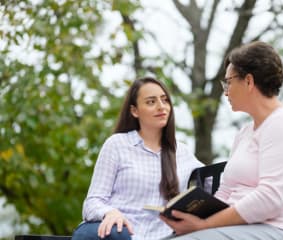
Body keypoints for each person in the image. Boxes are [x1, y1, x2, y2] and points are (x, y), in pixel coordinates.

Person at [160, 41, 283, 240]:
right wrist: (194, 217)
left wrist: (204, 225)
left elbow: (270, 199)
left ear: (248, 81)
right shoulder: (245, 133)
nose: (225, 90)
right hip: (239, 229)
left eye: (228, 81)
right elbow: (226, 191)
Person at [72, 77, 203, 240]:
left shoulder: (182, 152)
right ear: (134, 111)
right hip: (118, 234)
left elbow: (216, 185)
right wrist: (110, 213)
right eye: (151, 102)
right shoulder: (117, 145)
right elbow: (92, 203)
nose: (161, 106)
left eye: (165, 100)